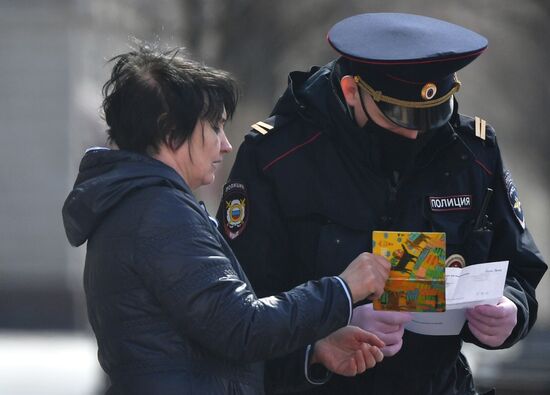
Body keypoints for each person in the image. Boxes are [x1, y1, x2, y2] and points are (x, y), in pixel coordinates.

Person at [217, 13, 548, 395]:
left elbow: (519, 267)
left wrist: (512, 310)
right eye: (399, 118)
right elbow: (235, 314)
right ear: (351, 90)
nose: (414, 133)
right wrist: (323, 330)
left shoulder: (472, 150)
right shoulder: (276, 157)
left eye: (430, 117)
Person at [61, 45, 392, 395]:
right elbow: (243, 327)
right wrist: (342, 289)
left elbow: (209, 344)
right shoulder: (159, 213)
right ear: (171, 130)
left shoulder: (141, 203)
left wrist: (311, 353)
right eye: (215, 127)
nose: (225, 145)